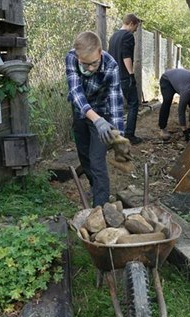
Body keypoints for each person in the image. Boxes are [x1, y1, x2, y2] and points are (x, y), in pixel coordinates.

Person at [65, 31, 124, 207]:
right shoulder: (71, 58)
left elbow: (115, 102)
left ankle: (102, 206)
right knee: (84, 154)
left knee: (97, 159)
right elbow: (75, 92)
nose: (90, 68)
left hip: (102, 112)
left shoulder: (111, 66)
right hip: (80, 110)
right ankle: (94, 185)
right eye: (85, 64)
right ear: (77, 56)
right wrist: (94, 119)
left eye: (94, 63)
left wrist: (118, 136)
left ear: (100, 52)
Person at [108, 13, 143, 145]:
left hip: (113, 76)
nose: (135, 30)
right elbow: (126, 56)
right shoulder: (128, 36)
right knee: (133, 104)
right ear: (131, 23)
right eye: (136, 27)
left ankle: (113, 135)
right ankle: (130, 135)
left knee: (115, 106)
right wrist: (131, 74)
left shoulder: (113, 36)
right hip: (124, 76)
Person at [158, 68, 190, 142]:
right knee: (167, 101)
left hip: (181, 82)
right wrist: (184, 129)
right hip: (167, 79)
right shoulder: (186, 92)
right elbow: (181, 110)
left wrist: (189, 125)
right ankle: (162, 128)